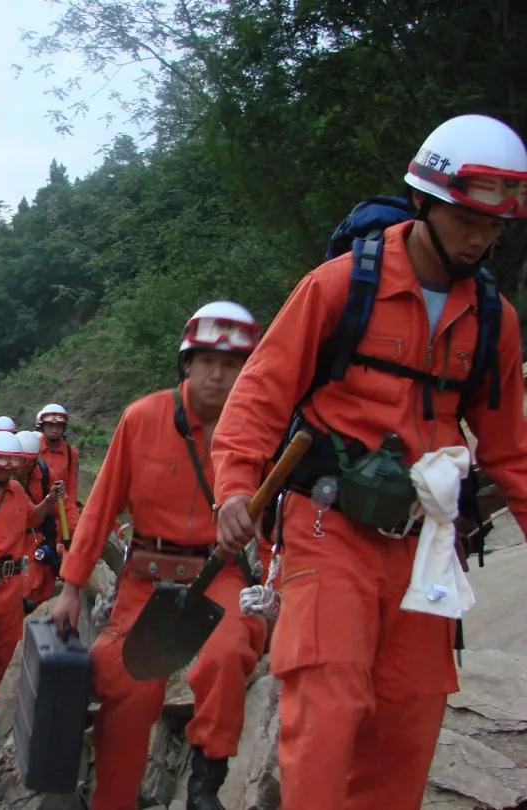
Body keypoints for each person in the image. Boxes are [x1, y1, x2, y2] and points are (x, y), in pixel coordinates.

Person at [213, 115, 527, 810]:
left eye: (495, 226)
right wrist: (234, 486)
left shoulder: (492, 321)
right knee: (327, 707)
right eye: (469, 219)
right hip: (329, 532)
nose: (481, 238)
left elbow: (510, 452)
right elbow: (258, 400)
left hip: (427, 545)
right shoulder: (336, 288)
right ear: (424, 201)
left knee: (408, 718)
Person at [51, 301, 265, 810]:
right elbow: (100, 507)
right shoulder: (143, 418)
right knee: (128, 689)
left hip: (220, 574)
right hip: (147, 577)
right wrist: (71, 587)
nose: (219, 374)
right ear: (187, 363)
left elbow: (282, 512)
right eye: (208, 360)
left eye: (232, 364)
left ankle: (205, 781)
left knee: (229, 648)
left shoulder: (259, 429)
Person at [0, 431, 64, 744]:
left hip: (10, 584)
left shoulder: (18, 491)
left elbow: (31, 517)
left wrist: (48, 502)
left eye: (12, 464)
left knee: (4, 648)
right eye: (1, 463)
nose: (8, 469)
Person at [15, 429, 61, 609]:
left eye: (30, 462)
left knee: (41, 584)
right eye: (22, 461)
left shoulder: (45, 474)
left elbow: (65, 506)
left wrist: (67, 541)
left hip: (37, 537)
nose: (24, 467)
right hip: (12, 538)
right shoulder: (0, 476)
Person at [37, 403, 81, 534]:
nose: (54, 430)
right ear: (43, 426)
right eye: (50, 425)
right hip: (38, 511)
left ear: (64, 428)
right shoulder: (34, 448)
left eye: (58, 426)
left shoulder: (71, 452)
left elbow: (72, 486)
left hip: (62, 510)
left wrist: (71, 514)